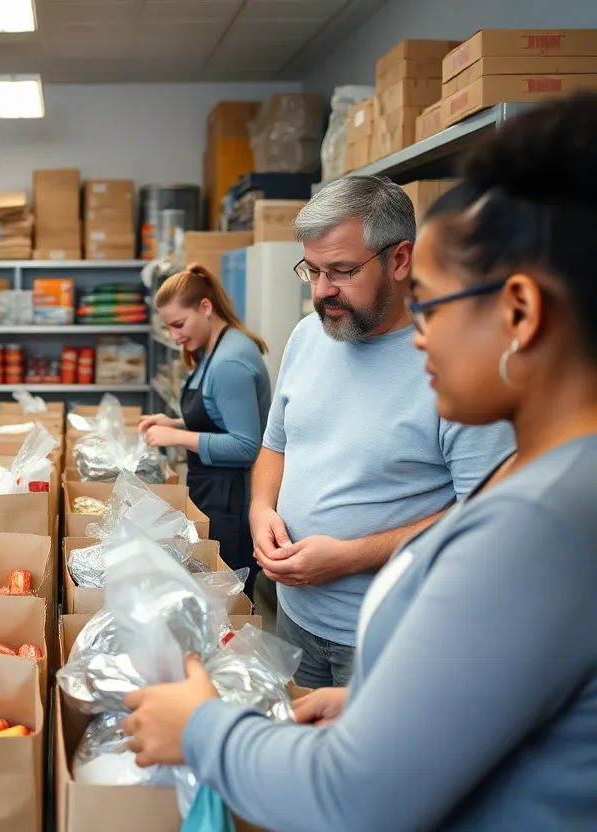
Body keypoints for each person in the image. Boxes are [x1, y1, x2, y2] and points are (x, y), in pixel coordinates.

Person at [121, 91, 597, 832]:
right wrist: (382, 703)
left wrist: (199, 728)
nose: (419, 338)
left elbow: (353, 799)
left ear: (521, 313)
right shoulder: (568, 486)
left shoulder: (535, 527)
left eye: (434, 305)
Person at [247, 173, 515, 688]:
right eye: (312, 271)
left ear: (400, 259)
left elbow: (485, 516)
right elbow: (275, 446)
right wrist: (261, 510)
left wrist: (351, 556)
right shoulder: (308, 336)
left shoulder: (456, 364)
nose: (322, 292)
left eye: (342, 271)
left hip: (388, 633)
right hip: (295, 618)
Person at [139, 265, 271, 593]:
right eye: (168, 327)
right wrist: (175, 423)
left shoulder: (229, 362)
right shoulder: (213, 350)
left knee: (228, 599)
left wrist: (177, 437)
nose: (174, 336)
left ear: (206, 308)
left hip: (233, 499)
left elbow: (246, 445)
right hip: (215, 491)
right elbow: (218, 418)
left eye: (179, 324)